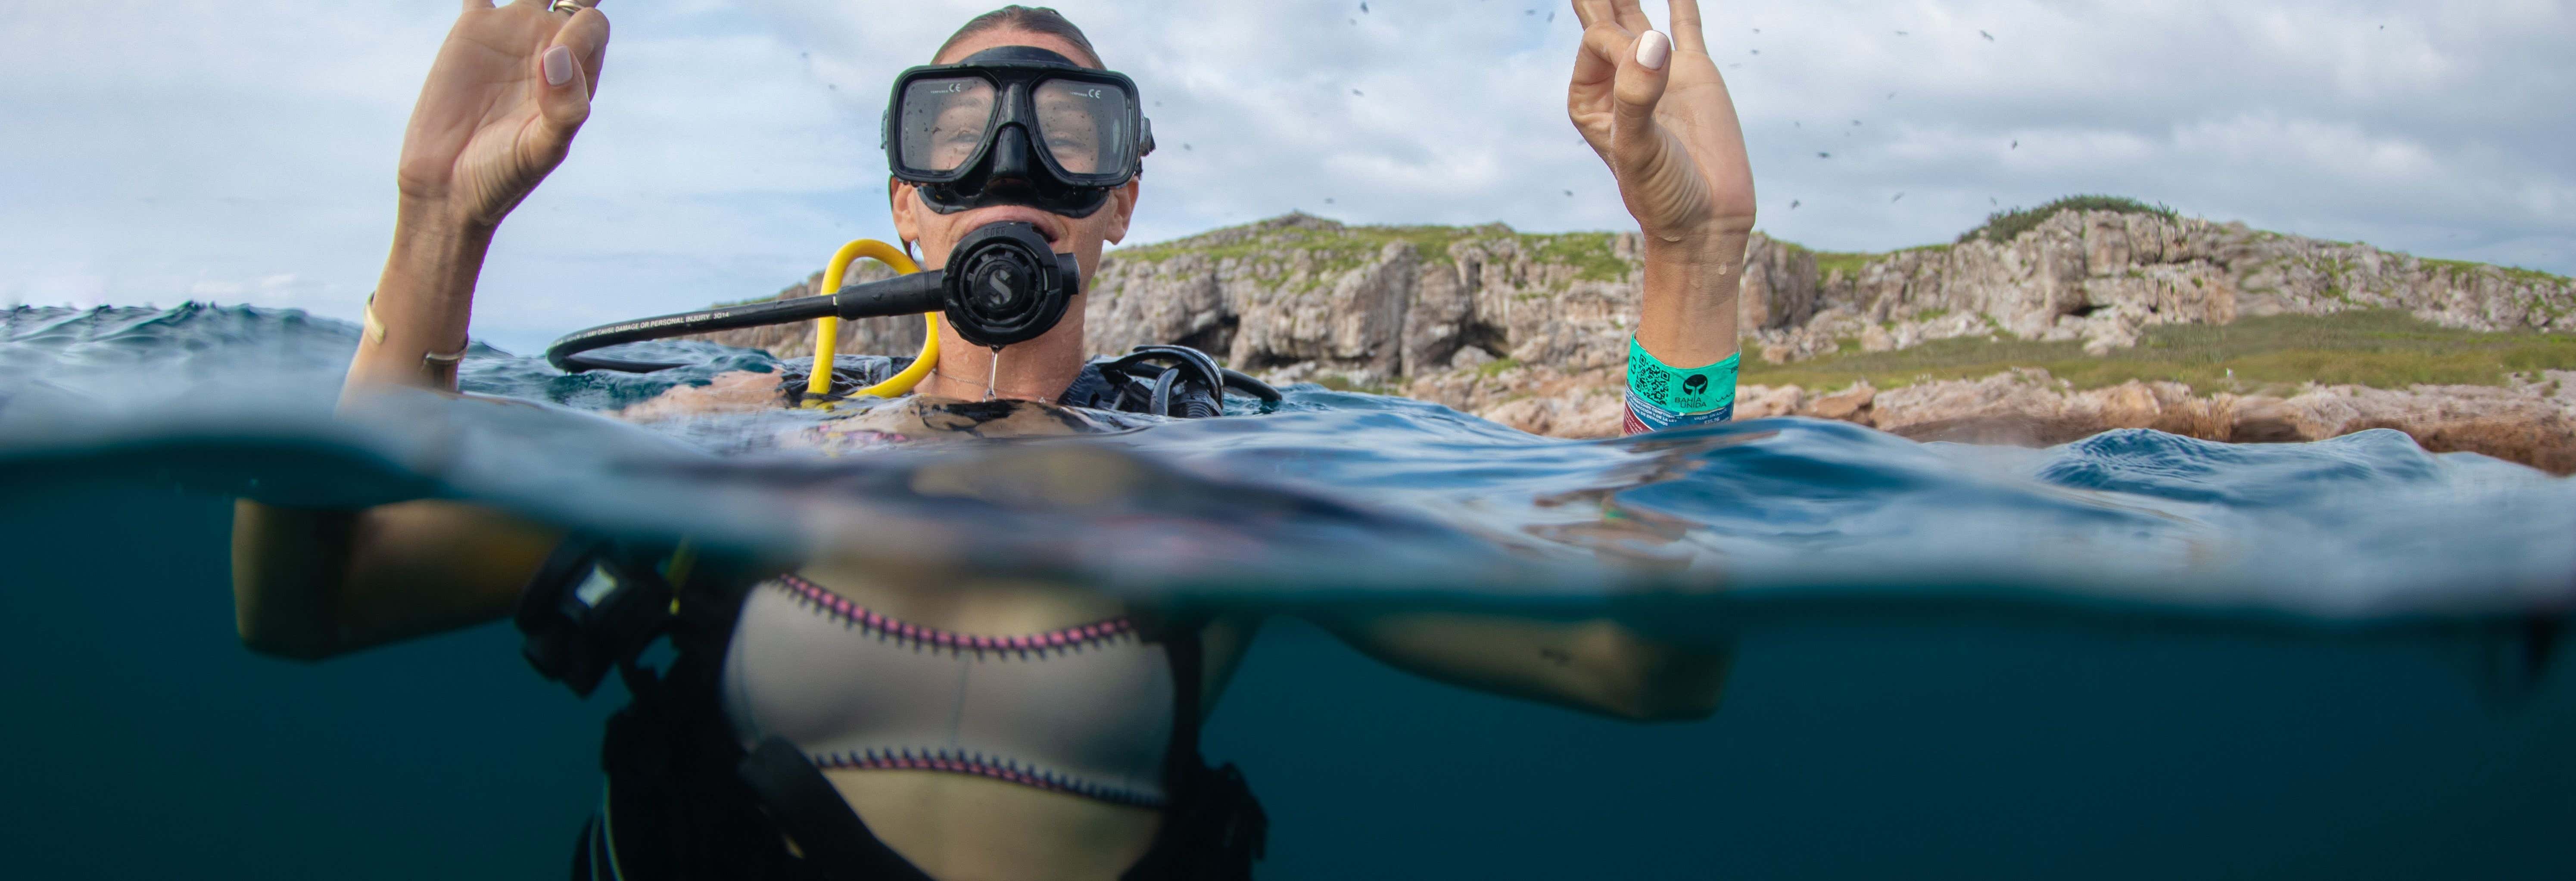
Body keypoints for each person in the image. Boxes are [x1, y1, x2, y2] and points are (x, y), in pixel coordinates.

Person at [232, 1, 1758, 878]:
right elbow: (308, 602)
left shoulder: (1221, 484)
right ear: (905, 200)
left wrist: (1696, 260)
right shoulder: (739, 439)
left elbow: (1646, 663)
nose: (1008, 166)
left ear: (1121, 202)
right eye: (955, 132)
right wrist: (441, 217)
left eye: (1070, 131)